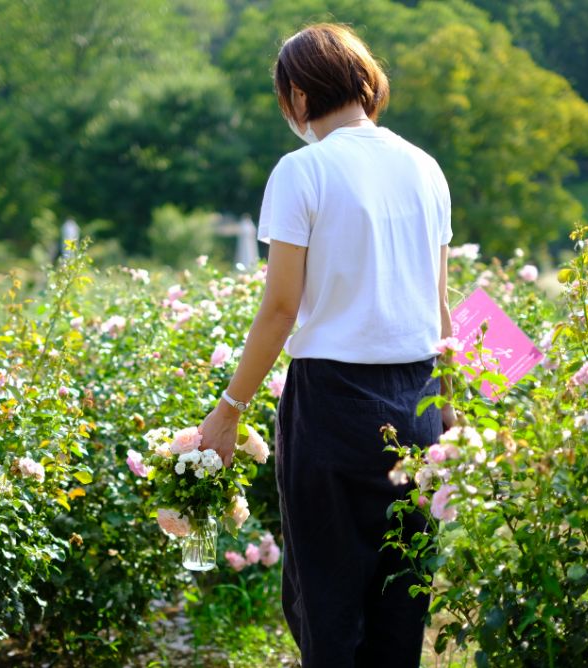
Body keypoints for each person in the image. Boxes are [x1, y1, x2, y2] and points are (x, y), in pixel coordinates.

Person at [198, 23, 456, 667]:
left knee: (327, 602)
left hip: (332, 406)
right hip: (418, 400)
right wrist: (451, 415)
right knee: (402, 599)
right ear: (366, 83)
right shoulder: (426, 168)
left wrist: (229, 410)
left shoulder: (301, 172)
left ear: (298, 97)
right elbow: (442, 307)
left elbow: (281, 307)